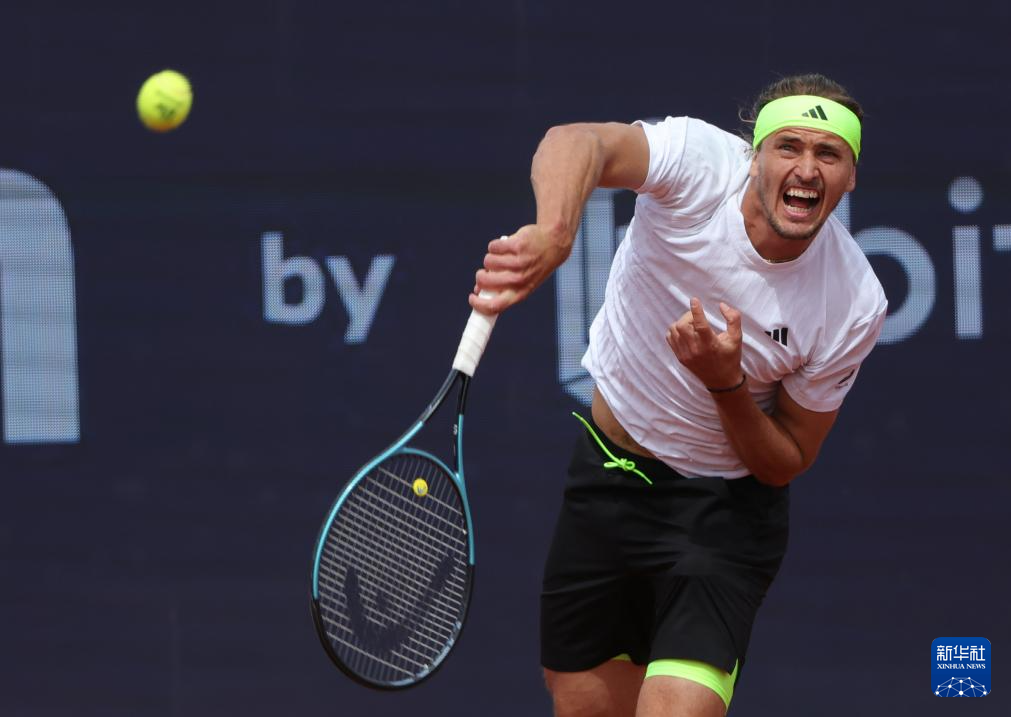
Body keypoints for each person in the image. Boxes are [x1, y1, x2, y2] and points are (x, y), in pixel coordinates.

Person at [470, 73, 887, 717]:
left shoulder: (854, 300)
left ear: (850, 176)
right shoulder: (698, 162)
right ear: (755, 156)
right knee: (583, 708)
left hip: (721, 517)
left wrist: (726, 384)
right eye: (789, 147)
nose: (806, 169)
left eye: (828, 154)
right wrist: (554, 234)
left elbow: (786, 460)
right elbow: (576, 141)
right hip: (607, 479)